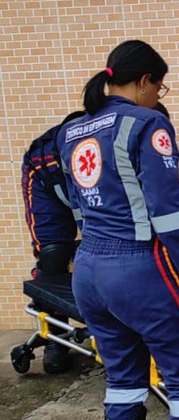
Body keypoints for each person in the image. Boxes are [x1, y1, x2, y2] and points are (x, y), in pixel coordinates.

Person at [58, 40, 179, 420]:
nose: (157, 96)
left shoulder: (72, 131)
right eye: (159, 88)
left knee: (124, 380)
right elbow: (167, 210)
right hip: (139, 271)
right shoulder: (147, 123)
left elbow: (77, 205)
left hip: (89, 272)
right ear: (144, 82)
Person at [21, 110, 86, 373]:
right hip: (45, 179)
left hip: (86, 179)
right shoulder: (48, 154)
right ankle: (55, 340)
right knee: (52, 254)